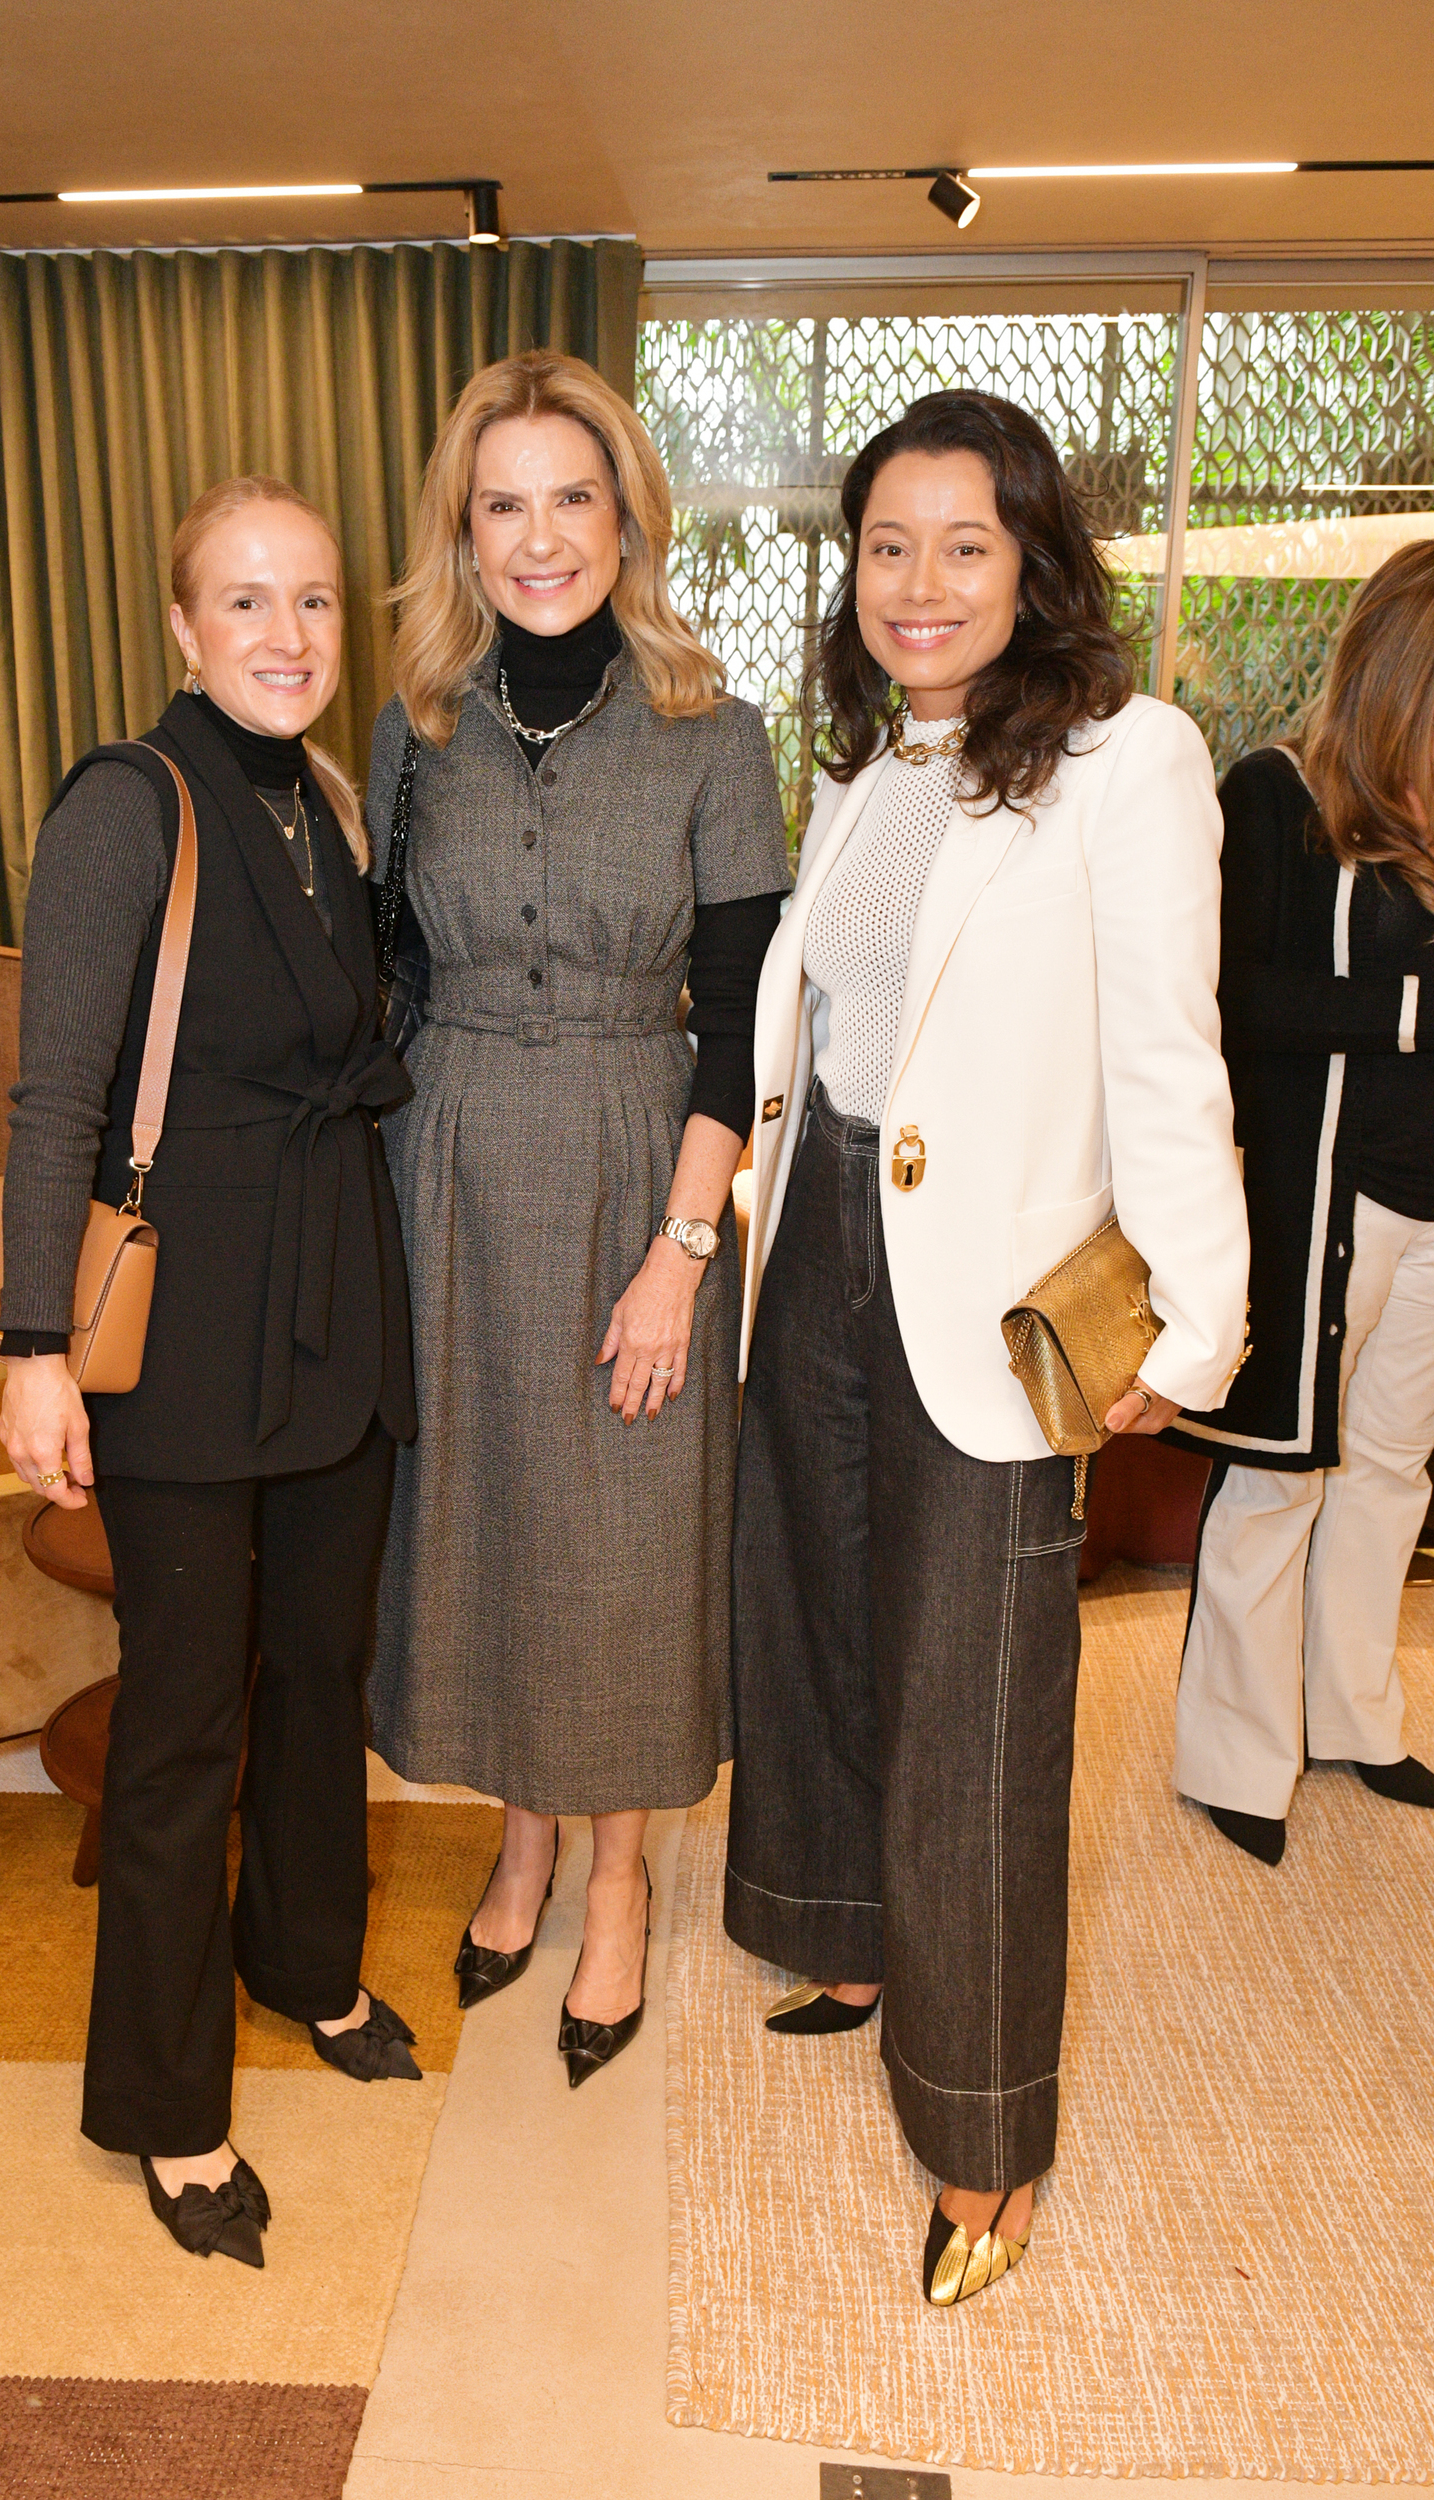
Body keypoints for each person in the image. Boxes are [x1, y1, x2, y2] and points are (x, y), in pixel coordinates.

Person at [725, 390, 1249, 2305]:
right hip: (823, 1252)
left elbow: (1170, 1060)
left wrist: (1194, 1319)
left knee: (980, 1706)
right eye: (886, 545)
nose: (920, 582)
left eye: (964, 544)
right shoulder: (864, 771)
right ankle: (848, 1935)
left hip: (1001, 1294)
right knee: (813, 1624)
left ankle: (983, 2143)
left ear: (1033, 563)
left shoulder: (1132, 759)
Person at [0, 475, 421, 2270]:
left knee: (323, 1671)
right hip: (175, 1343)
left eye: (314, 602)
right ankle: (170, 2111)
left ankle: (307, 1966)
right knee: (187, 1725)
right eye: (245, 603)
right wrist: (34, 1349)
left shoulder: (326, 798)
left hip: (336, 1316)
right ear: (182, 625)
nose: (286, 637)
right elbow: (54, 1095)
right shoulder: (131, 803)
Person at [365, 349, 789, 2086]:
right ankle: (522, 1831)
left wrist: (681, 1256)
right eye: (503, 505)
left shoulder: (720, 730)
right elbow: (379, 976)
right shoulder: (415, 725)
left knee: (624, 1536)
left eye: (573, 498)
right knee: (485, 1520)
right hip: (449, 1166)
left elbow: (746, 1005)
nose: (541, 538)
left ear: (629, 517)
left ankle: (614, 1874)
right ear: (463, 535)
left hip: (643, 1155)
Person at [1170, 542, 1434, 1866]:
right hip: (1317, 1199)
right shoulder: (1273, 797)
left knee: (1389, 1474)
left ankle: (1357, 1716)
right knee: (1277, 1481)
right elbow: (1219, 1002)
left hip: (1431, 1215)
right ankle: (1233, 1754)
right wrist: (1399, 1012)